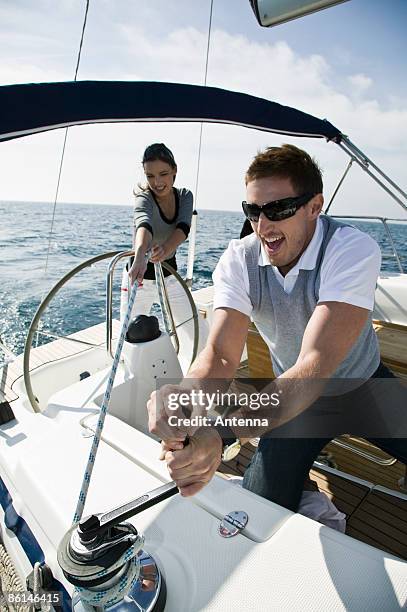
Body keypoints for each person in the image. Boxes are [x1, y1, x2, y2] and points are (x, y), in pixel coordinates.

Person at [146, 143, 407, 511]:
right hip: (293, 401)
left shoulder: (351, 249)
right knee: (260, 508)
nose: (263, 225)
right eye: (252, 211)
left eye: (278, 209)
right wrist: (185, 399)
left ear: (315, 207)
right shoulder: (240, 259)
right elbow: (221, 356)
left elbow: (315, 365)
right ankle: (301, 484)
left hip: (363, 385)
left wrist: (221, 432)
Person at [120, 143, 193, 333]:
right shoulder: (143, 198)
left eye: (163, 173)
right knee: (130, 335)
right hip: (140, 276)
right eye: (150, 176)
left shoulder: (185, 196)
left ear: (174, 170)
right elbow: (143, 225)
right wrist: (140, 256)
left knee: (196, 331)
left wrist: (166, 249)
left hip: (170, 275)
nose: (157, 182)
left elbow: (183, 227)